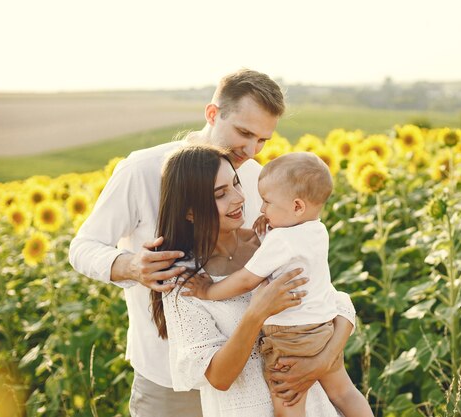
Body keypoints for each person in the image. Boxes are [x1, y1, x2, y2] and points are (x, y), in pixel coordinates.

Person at [68, 69, 355, 417]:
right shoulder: (141, 170)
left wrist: (324, 358)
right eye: (244, 133)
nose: (250, 150)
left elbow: (308, 278)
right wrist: (130, 266)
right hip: (168, 375)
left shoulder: (257, 180)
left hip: (255, 380)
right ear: (212, 113)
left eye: (263, 140)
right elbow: (82, 247)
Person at [153, 144, 357, 416]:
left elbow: (338, 304)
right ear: (189, 211)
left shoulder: (275, 242)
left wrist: (322, 361)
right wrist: (257, 313)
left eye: (236, 183)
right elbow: (219, 377)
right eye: (220, 194)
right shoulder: (184, 281)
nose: (238, 198)